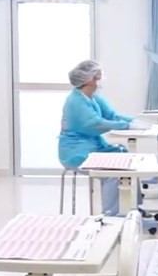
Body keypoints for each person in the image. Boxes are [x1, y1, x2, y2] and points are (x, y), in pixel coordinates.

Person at [58, 60, 147, 216]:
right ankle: (113, 216)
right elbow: (95, 124)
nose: (101, 77)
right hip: (76, 153)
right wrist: (126, 126)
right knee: (112, 172)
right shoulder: (75, 102)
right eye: (97, 74)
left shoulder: (93, 98)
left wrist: (132, 121)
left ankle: (136, 208)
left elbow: (112, 116)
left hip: (94, 148)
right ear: (89, 79)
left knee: (127, 157)